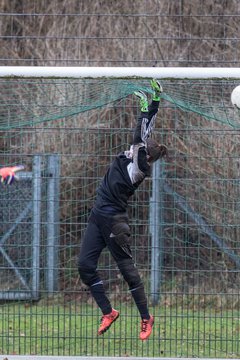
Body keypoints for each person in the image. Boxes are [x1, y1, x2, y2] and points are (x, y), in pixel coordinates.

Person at [78, 79, 167, 341]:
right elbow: (145, 132)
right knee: (84, 265)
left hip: (115, 222)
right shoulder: (138, 153)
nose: (131, 148)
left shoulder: (141, 165)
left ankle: (145, 317)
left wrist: (141, 108)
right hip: (98, 216)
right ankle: (108, 311)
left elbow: (139, 136)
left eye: (138, 148)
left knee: (128, 273)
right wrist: (155, 101)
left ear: (146, 156)